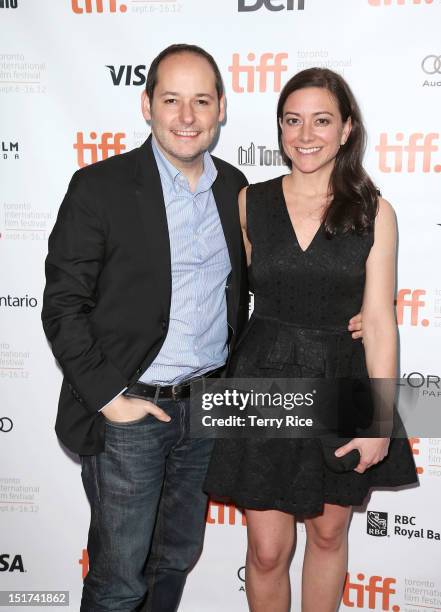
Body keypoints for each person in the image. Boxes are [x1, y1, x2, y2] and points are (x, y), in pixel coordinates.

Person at [42, 45, 362, 611]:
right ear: (147, 105)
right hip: (131, 412)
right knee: (119, 577)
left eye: (201, 101)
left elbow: (280, 277)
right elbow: (63, 306)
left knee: (175, 557)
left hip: (212, 408)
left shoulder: (236, 191)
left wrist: (354, 313)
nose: (186, 116)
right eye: (171, 100)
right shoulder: (100, 187)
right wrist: (109, 396)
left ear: (220, 111)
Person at [204, 68, 418, 612]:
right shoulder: (251, 202)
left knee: (327, 536)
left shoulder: (375, 213)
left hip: (338, 379)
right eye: (292, 120)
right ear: (279, 128)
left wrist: (379, 420)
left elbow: (378, 322)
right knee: (267, 550)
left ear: (346, 128)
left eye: (322, 120)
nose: (305, 134)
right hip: (262, 381)